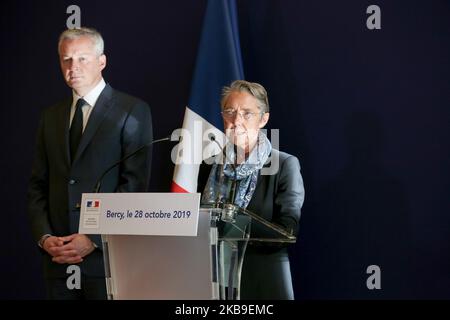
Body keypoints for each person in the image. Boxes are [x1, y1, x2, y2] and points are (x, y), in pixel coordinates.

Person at [27, 27, 153, 299]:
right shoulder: (50, 116)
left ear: (102, 62)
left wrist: (93, 239)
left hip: (106, 261)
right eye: (66, 59)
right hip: (58, 260)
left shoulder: (131, 111)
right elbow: (38, 186)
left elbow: (133, 187)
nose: (73, 67)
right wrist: (46, 238)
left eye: (82, 58)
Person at [197, 80, 305, 299]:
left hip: (263, 282)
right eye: (230, 112)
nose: (236, 121)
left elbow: (288, 231)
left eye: (247, 113)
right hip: (214, 282)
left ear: (263, 119)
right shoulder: (209, 166)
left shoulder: (284, 164)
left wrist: (233, 221)